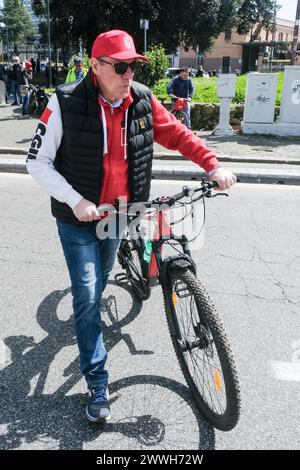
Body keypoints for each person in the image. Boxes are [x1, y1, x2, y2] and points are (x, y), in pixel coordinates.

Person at [26, 29, 236, 424]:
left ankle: (98, 311)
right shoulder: (65, 102)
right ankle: (98, 382)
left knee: (102, 278)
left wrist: (213, 163)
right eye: (120, 67)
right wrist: (78, 201)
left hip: (121, 214)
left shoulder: (140, 97)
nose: (128, 75)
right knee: (88, 297)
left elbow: (175, 132)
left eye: (133, 66)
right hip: (79, 219)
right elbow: (36, 162)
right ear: (96, 65)